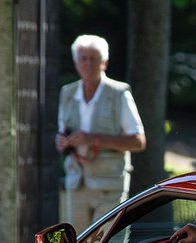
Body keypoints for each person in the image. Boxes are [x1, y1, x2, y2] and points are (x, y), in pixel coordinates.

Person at [56, 34, 146, 232]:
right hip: (76, 184)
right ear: (75, 62)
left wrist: (93, 140)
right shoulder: (67, 93)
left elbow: (138, 141)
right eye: (83, 58)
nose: (88, 63)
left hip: (109, 186)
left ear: (104, 62)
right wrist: (62, 142)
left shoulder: (119, 93)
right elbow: (62, 132)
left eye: (93, 58)